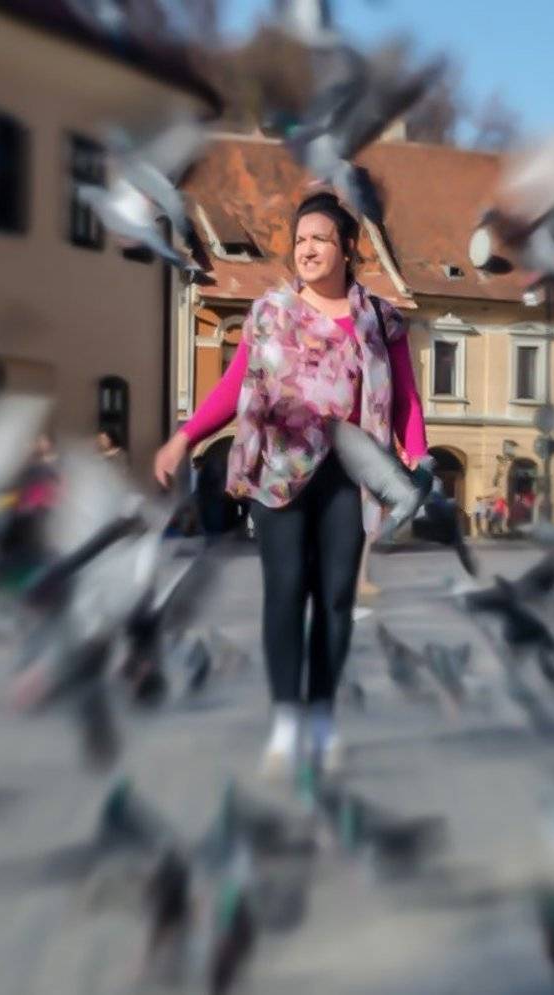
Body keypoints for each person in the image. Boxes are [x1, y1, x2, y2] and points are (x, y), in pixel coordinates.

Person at [153, 192, 428, 776]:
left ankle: (322, 717)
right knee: (284, 591)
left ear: (346, 248)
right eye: (300, 240)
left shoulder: (380, 320)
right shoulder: (270, 313)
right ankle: (286, 722)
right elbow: (235, 385)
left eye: (320, 239)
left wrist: (420, 459)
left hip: (348, 474)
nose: (307, 249)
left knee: (334, 598)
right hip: (279, 470)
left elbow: (404, 397)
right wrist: (185, 437)